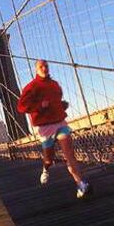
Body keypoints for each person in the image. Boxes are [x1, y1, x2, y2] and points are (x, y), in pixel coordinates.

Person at [17, 60, 92, 199]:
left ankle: (81, 184)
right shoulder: (31, 87)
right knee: (49, 159)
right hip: (45, 128)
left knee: (70, 155)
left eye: (46, 66)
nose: (44, 68)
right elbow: (21, 107)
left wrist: (62, 106)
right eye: (41, 67)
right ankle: (45, 169)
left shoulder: (55, 85)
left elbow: (56, 100)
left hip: (60, 123)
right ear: (36, 70)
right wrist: (39, 106)